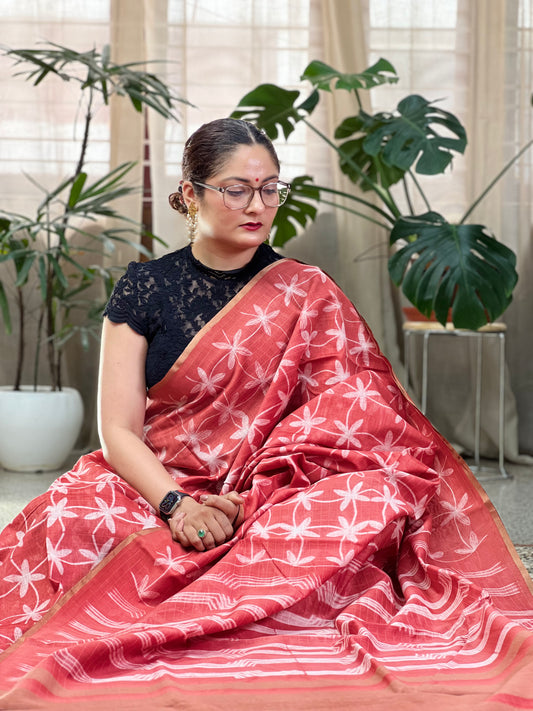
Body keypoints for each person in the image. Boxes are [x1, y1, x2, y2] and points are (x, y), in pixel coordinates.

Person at [0, 118, 532, 710]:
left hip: (273, 491)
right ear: (191, 192)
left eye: (270, 188)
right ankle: (231, 594)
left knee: (375, 498)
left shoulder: (307, 291)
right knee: (69, 512)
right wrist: (178, 505)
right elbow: (118, 430)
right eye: (236, 189)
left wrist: (256, 493)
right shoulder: (146, 287)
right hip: (159, 480)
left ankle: (229, 591)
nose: (258, 205)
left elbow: (355, 410)